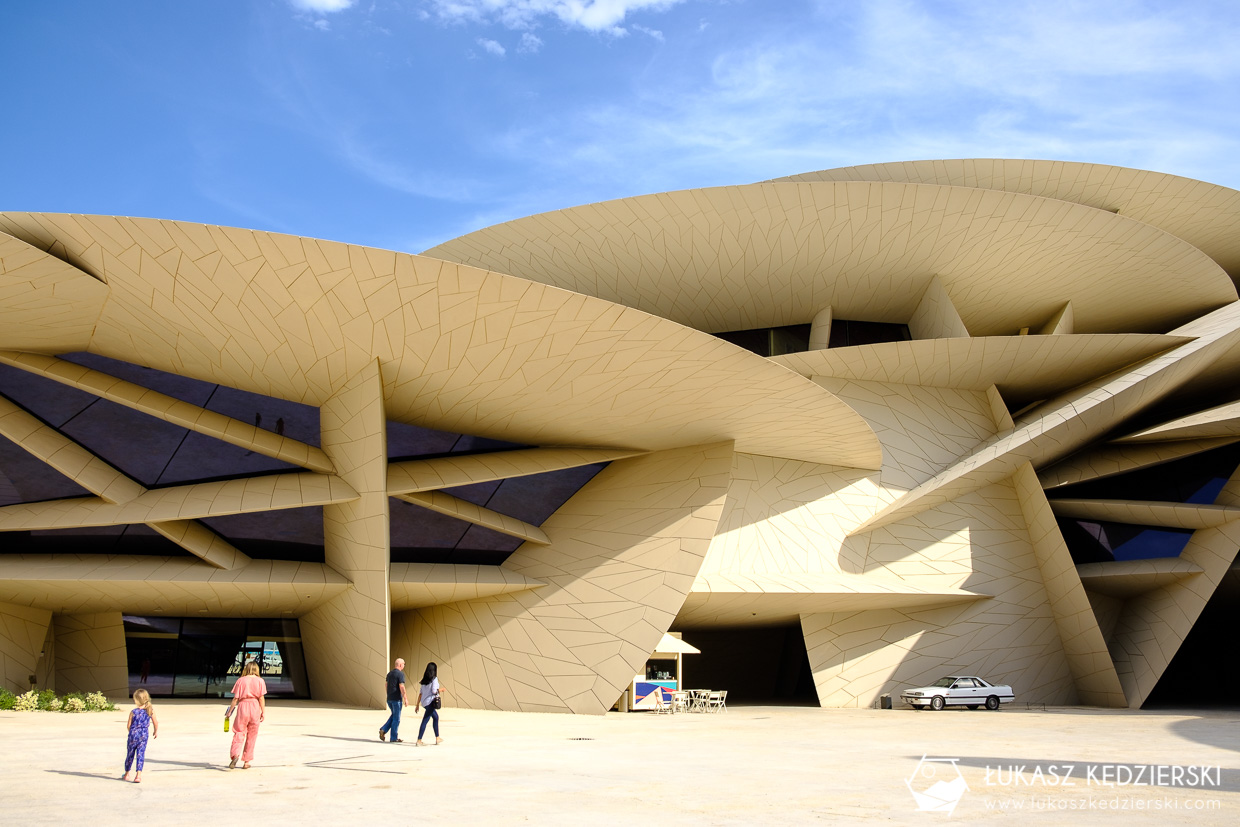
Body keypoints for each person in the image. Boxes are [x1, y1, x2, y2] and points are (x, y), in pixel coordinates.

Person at [225, 660, 267, 769]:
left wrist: (229, 712)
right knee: (252, 735)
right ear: (256, 669)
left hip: (243, 706)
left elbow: (235, 699)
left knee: (239, 731)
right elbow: (261, 698)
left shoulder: (241, 680)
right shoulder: (260, 681)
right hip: (255, 706)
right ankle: (246, 761)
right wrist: (263, 712)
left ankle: (235, 754)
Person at [122, 689, 158, 783]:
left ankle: (126, 774)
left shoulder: (133, 712)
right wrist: (155, 731)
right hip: (144, 735)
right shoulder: (150, 710)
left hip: (133, 735)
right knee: (140, 754)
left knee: (130, 754)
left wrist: (132, 732)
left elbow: (128, 725)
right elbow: (155, 722)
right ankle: (138, 775)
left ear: (136, 700)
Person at [414, 661, 445, 746]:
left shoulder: (424, 680)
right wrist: (441, 690)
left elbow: (420, 693)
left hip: (424, 703)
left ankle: (437, 737)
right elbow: (434, 691)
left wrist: (417, 705)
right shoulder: (434, 679)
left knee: (436, 717)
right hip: (431, 702)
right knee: (425, 720)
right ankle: (419, 740)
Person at [379, 657, 408, 743]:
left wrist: (388, 694)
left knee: (394, 716)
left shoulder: (389, 674)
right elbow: (402, 687)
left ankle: (383, 730)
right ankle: (393, 737)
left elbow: (386, 685)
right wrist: (405, 698)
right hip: (396, 699)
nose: (404, 665)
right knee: (396, 718)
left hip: (390, 699)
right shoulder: (400, 674)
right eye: (403, 664)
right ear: (400, 665)